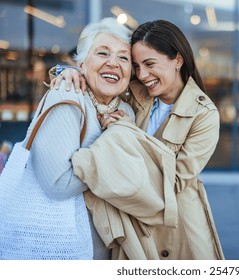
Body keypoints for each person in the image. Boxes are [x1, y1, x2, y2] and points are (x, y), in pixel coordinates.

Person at [51, 19, 224, 260]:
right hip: (131, 223)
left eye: (150, 64)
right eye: (136, 65)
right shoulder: (133, 91)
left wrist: (126, 132)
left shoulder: (204, 115)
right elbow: (98, 80)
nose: (142, 75)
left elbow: (170, 186)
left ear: (178, 60)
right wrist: (69, 72)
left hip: (174, 231)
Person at [1, 17, 135, 259]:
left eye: (123, 57)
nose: (113, 63)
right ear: (82, 63)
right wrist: (113, 143)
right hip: (62, 245)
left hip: (109, 246)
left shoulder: (126, 110)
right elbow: (58, 184)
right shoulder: (67, 97)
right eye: (103, 53)